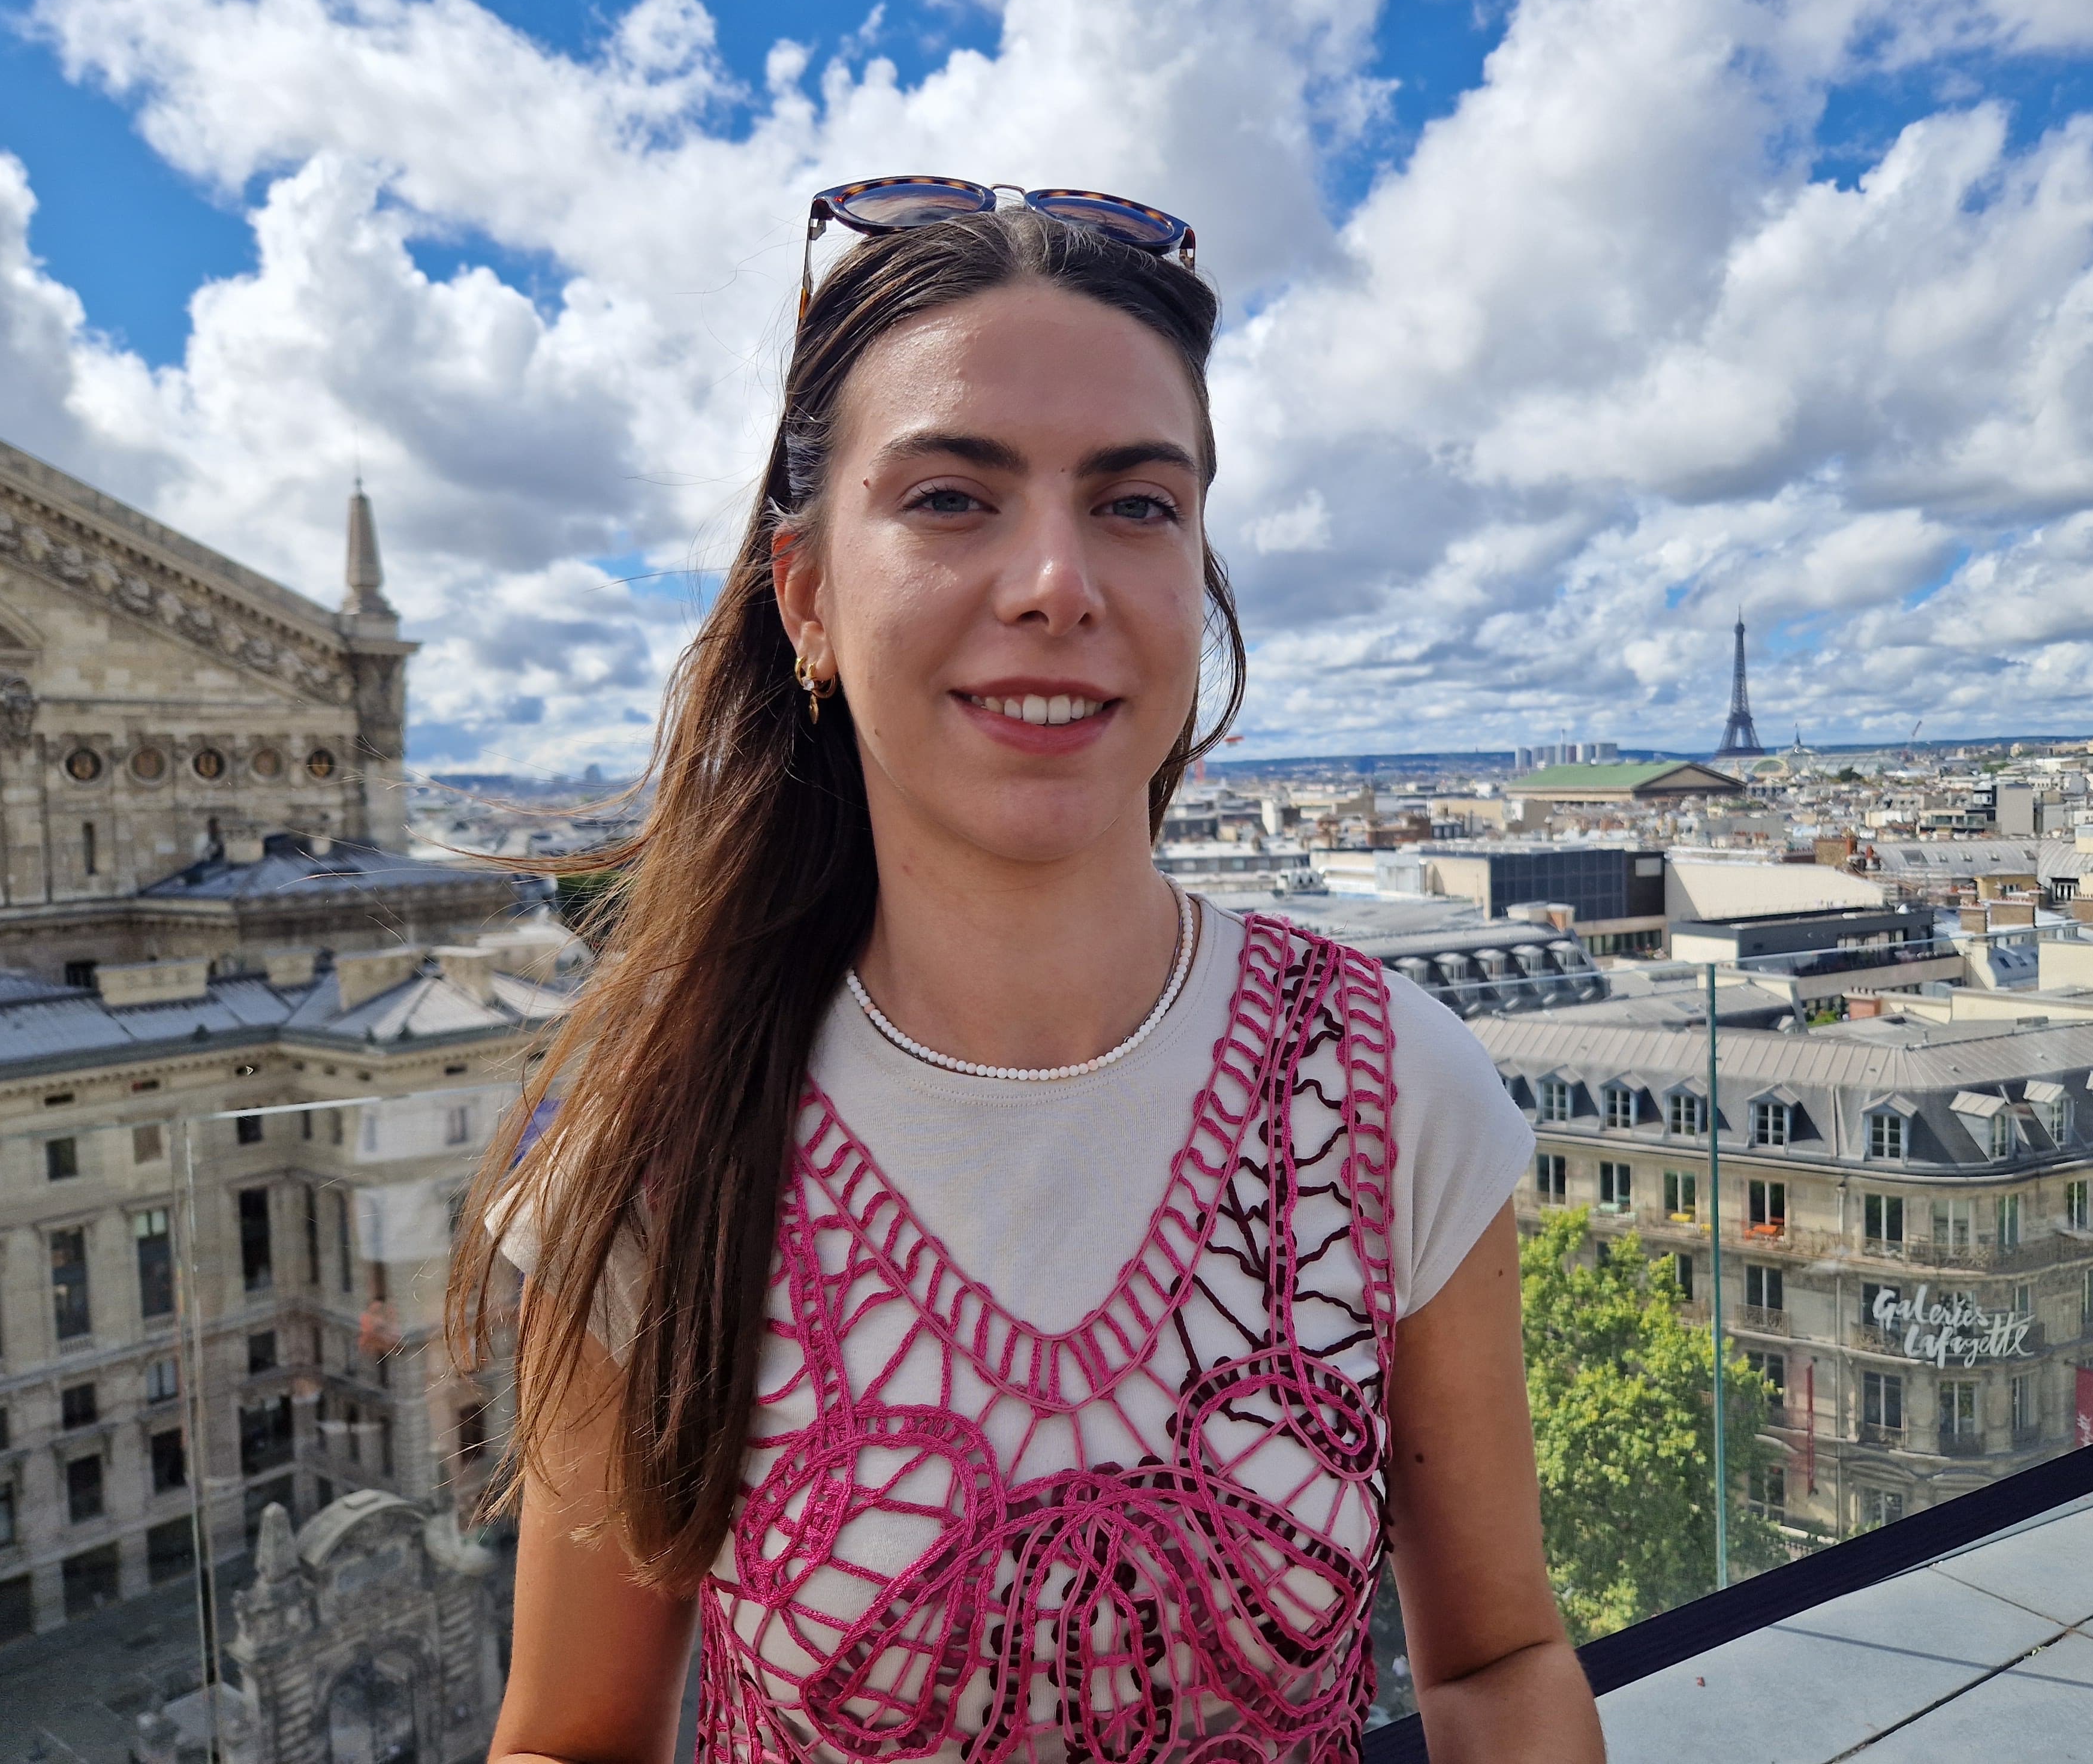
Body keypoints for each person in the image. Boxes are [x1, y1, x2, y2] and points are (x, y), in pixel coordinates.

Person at [454, 180, 1606, 1764]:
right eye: (951, 498)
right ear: (807, 599)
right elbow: (573, 1736)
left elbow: (1500, 1659)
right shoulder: (658, 1138)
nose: (1057, 580)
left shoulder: (1392, 1084)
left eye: (1136, 505)